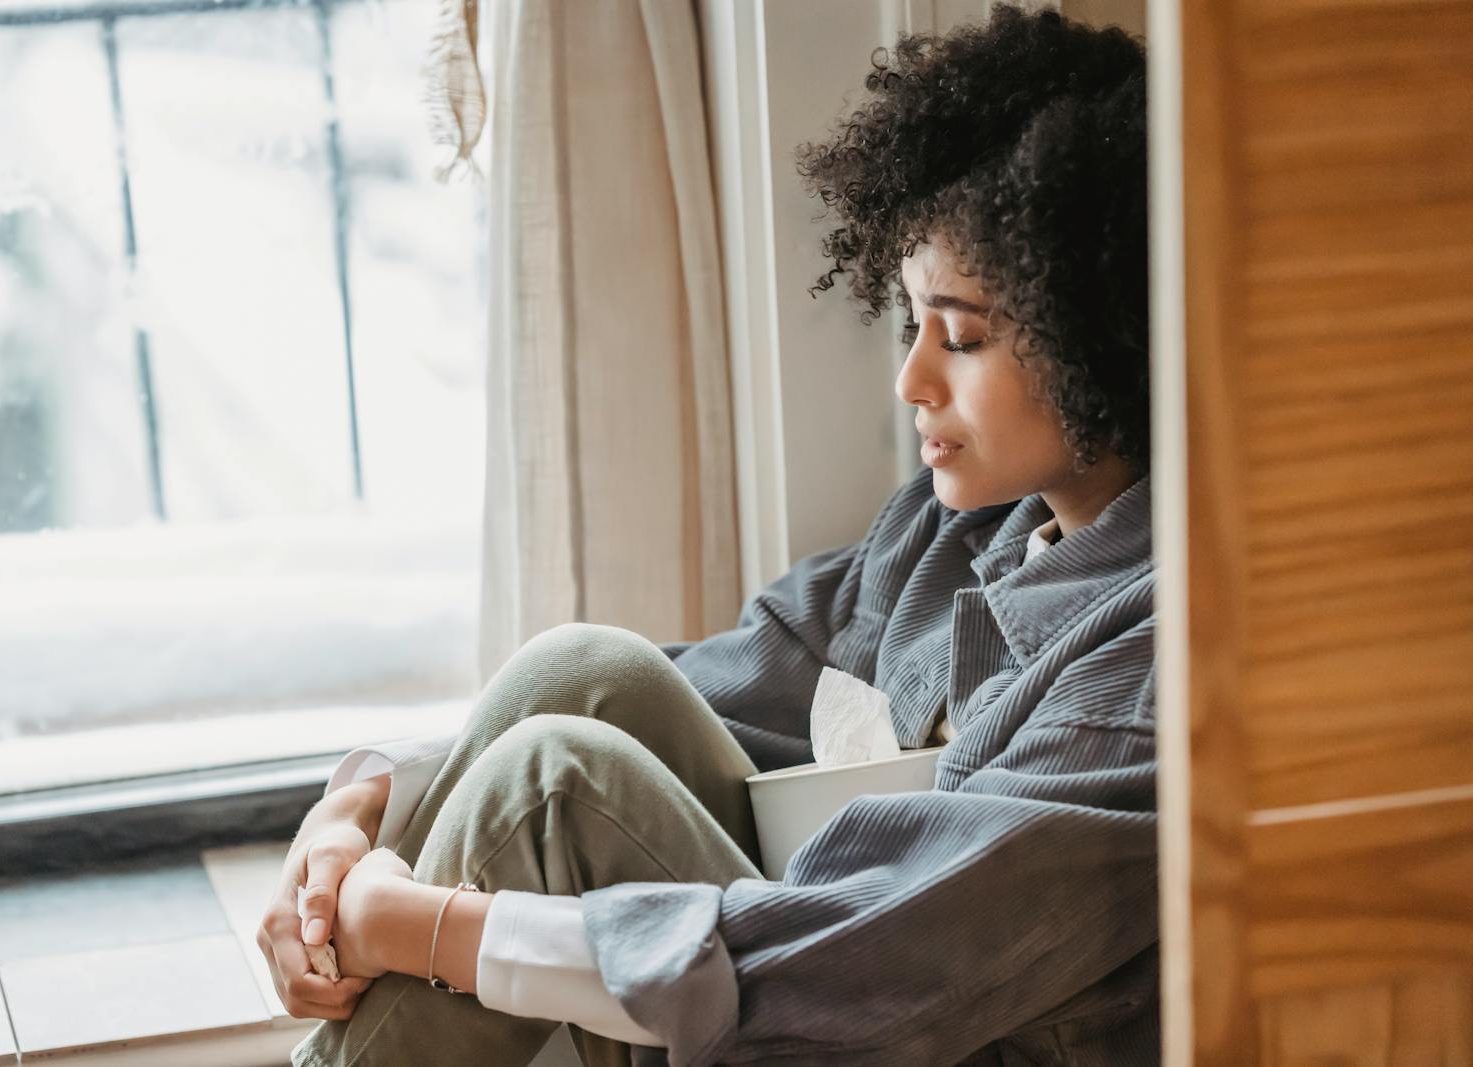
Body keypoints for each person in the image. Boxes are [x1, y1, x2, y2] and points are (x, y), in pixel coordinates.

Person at [259, 5, 1157, 1064]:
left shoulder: (1145, 672)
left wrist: (420, 923)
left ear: (1097, 332)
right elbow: (705, 681)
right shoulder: (958, 528)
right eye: (910, 322)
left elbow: (851, 967)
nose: (910, 379)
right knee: (581, 671)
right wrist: (357, 808)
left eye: (958, 337)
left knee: (557, 780)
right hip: (819, 993)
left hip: (882, 1017)